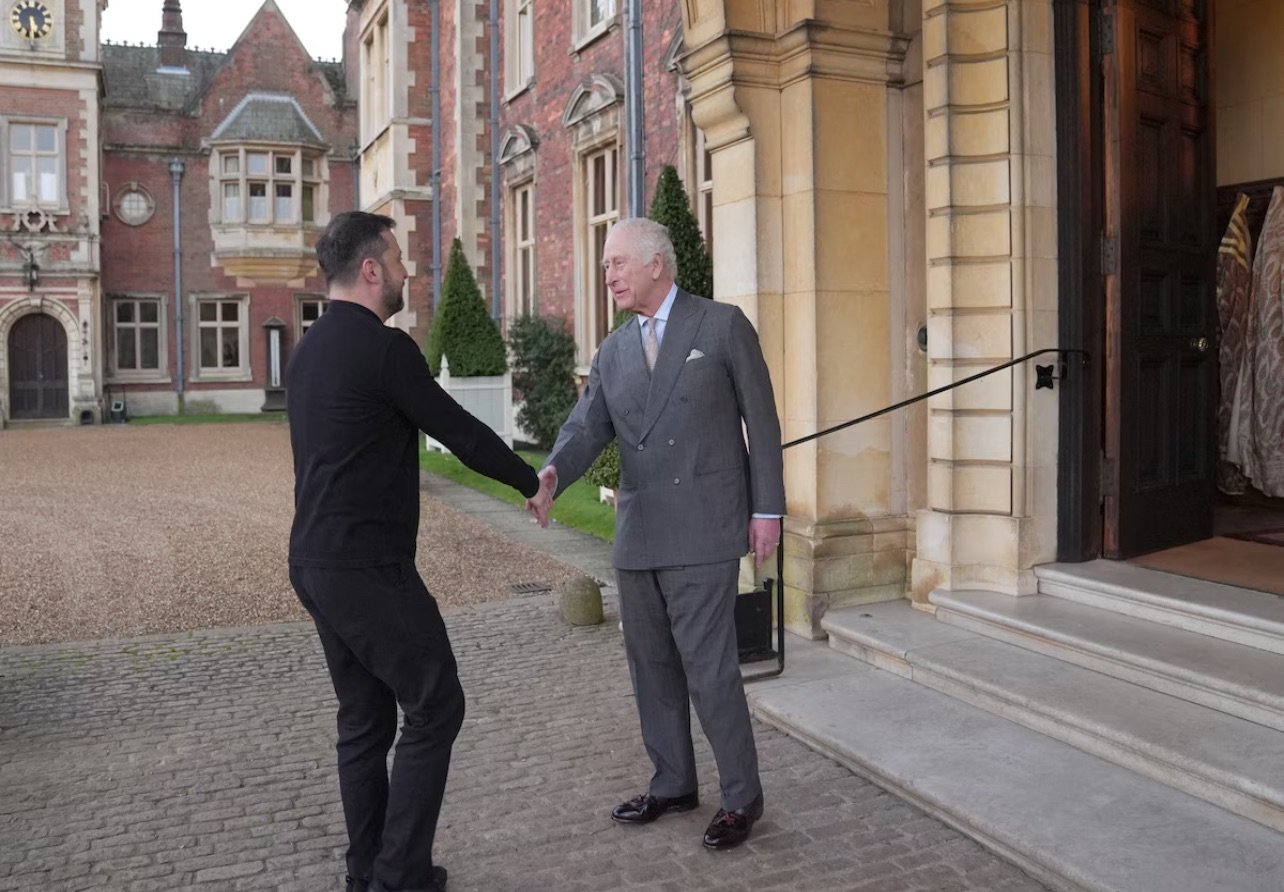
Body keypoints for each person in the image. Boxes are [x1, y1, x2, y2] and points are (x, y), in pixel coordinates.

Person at [286, 211, 554, 892]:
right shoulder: (385, 348)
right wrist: (532, 480)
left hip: (314, 560)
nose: (409, 272)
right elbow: (459, 431)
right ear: (371, 269)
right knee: (436, 704)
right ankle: (398, 876)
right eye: (399, 260)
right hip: (368, 567)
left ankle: (367, 872)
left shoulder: (308, 350)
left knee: (364, 721)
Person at [525, 217, 785, 850]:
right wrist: (553, 473)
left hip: (706, 527)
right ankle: (672, 782)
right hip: (639, 532)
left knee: (709, 667)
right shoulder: (613, 351)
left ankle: (741, 798)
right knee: (650, 667)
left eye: (617, 262)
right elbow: (587, 427)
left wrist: (767, 510)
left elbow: (763, 422)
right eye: (607, 264)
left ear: (656, 264)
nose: (608, 273)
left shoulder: (721, 326)